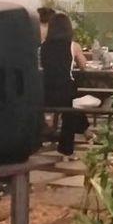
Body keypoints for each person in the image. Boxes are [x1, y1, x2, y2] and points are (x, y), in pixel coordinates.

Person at [40, 11, 87, 156]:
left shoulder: (42, 47)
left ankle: (85, 129)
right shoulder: (73, 46)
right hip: (66, 94)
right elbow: (84, 66)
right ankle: (67, 147)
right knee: (73, 103)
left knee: (73, 105)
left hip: (46, 93)